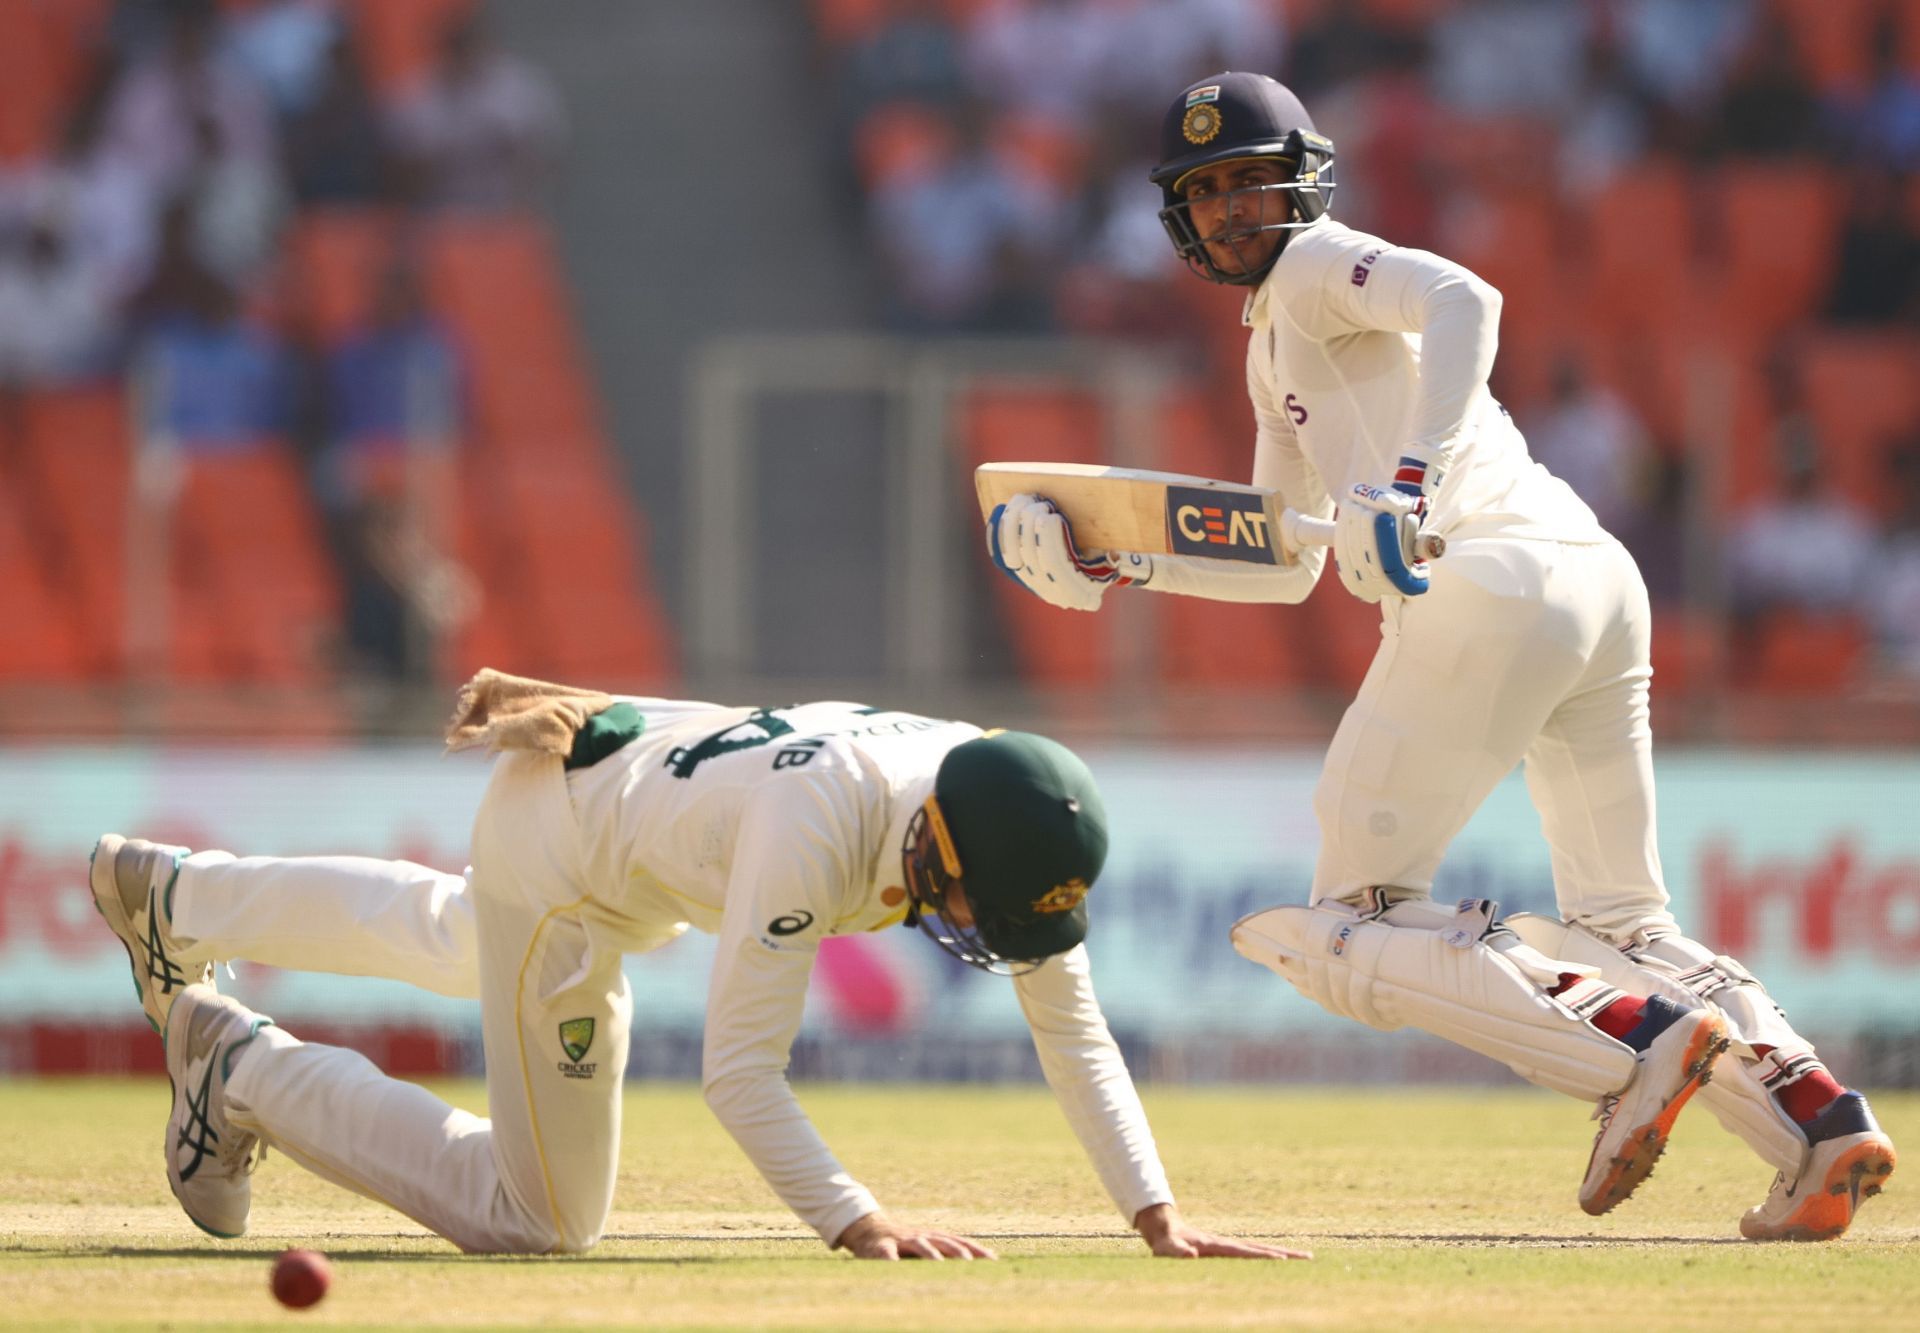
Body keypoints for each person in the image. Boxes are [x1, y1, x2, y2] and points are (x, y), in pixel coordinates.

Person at [986, 72, 1896, 1240]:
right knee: (1622, 916)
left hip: (1485, 575)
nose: (1227, 214)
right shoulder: (1278, 339)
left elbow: (1467, 294)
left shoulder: (1315, 266)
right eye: (1203, 195)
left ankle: (1628, 1048)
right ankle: (1813, 1119)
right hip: (1589, 577)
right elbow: (1279, 549)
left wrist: (1409, 479)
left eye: (1247, 186)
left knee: (1341, 921)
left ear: (1303, 183)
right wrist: (1124, 561)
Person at [90, 669, 1307, 1262]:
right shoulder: (821, 829)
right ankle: (238, 1064)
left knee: (461, 940)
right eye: (988, 909)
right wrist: (856, 1220)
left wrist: (1157, 1215)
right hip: (567, 860)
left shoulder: (985, 794)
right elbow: (739, 1072)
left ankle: (180, 892)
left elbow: (1071, 1026)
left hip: (619, 796)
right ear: (935, 838)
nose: (990, 937)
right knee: (544, 1220)